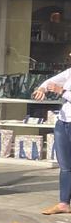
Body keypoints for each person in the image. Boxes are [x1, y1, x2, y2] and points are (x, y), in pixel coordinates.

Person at [33, 66, 71, 215]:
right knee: (65, 166)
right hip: (63, 122)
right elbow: (49, 82)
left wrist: (61, 91)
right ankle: (63, 203)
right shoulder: (69, 72)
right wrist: (42, 89)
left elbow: (58, 88)